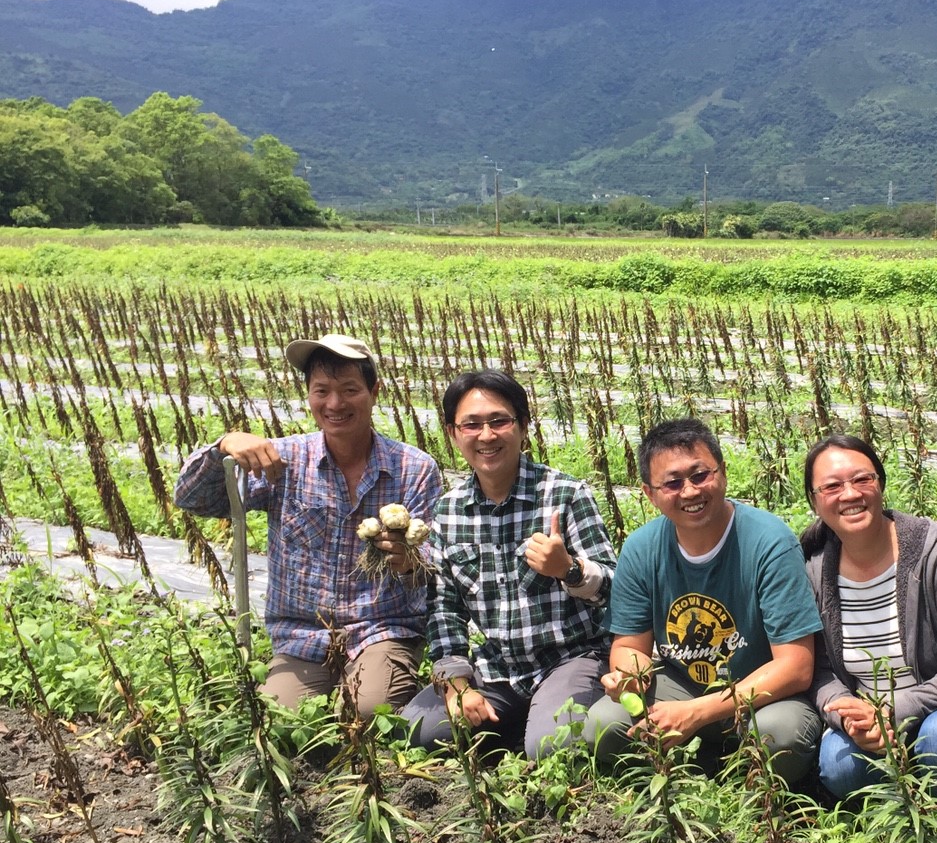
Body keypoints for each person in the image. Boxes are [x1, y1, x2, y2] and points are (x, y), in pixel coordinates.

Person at [174, 333, 441, 716]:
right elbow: (193, 500)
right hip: (303, 635)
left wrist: (409, 561)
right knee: (282, 718)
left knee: (368, 712)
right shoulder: (282, 462)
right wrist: (224, 447)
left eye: (350, 389)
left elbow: (432, 563)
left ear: (374, 391)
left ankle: (372, 681)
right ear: (309, 395)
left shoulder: (413, 468)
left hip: (380, 630)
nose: (335, 403)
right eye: (322, 391)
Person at [585, 418, 822, 785]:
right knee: (604, 725)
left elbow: (795, 666)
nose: (690, 492)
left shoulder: (769, 542)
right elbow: (629, 645)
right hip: (681, 684)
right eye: (673, 483)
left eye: (700, 476)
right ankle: (697, 775)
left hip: (758, 693)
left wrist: (697, 712)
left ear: (723, 473)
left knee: (781, 736)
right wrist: (632, 674)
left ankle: (741, 788)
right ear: (650, 494)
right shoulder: (641, 548)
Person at [399, 371, 616, 758]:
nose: (486, 435)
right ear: (452, 433)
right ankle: (521, 716)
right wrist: (457, 683)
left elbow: (616, 590)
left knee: (553, 748)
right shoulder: (449, 511)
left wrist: (570, 570)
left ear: (523, 427)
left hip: (571, 657)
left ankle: (536, 719)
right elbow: (444, 608)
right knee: (418, 730)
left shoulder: (565, 495)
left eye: (500, 421)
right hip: (500, 666)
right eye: (472, 424)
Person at [800, 435, 937, 814]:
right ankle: (903, 812)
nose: (849, 494)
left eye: (862, 479)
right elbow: (820, 670)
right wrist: (847, 712)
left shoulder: (932, 551)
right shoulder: (815, 570)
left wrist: (894, 708)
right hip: (872, 717)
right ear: (815, 501)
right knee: (838, 765)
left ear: (880, 483)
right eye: (832, 486)